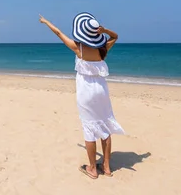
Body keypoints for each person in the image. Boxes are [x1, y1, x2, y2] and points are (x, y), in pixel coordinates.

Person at [39, 12, 125, 179]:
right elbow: (116, 36)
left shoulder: (78, 49)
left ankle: (92, 168)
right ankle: (106, 167)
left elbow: (58, 32)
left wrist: (45, 21)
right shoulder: (103, 49)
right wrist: (105, 30)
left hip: (86, 91)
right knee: (105, 125)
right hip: (101, 90)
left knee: (89, 127)